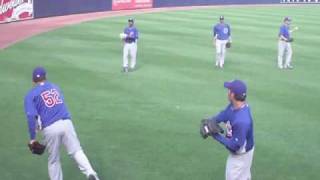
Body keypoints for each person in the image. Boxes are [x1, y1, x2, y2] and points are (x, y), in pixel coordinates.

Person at [24, 67, 100, 180]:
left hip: (50, 128)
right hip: (66, 123)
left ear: (33, 80)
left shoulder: (30, 95)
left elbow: (31, 116)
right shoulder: (55, 87)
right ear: (46, 76)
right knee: (76, 151)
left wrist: (32, 138)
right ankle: (90, 173)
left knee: (54, 160)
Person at [209, 79, 254, 180]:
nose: (227, 92)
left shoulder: (242, 120)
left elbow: (235, 146)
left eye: (229, 90)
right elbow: (225, 114)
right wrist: (213, 120)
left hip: (240, 156)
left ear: (232, 95)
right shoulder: (234, 106)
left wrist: (215, 135)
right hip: (245, 150)